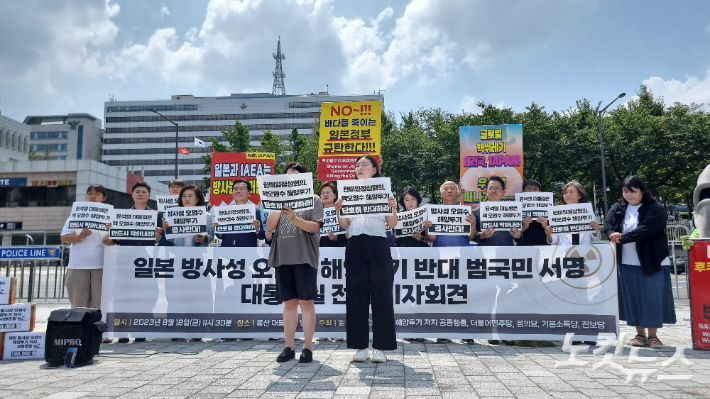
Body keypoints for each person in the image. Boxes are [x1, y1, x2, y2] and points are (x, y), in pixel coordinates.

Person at [334, 154, 398, 363]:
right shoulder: (348, 192)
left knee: (382, 296)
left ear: (374, 170)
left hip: (379, 244)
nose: (360, 168)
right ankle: (359, 347)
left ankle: (381, 347)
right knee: (356, 297)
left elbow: (393, 224)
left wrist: (393, 207)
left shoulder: (385, 191)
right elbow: (345, 226)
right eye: (357, 165)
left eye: (365, 165)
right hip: (355, 246)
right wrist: (338, 210)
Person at [604, 176, 676, 348]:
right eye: (625, 191)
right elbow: (608, 223)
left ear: (642, 191)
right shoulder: (619, 207)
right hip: (626, 260)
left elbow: (647, 229)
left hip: (652, 259)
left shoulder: (655, 208)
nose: (628, 195)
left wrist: (622, 238)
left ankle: (653, 335)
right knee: (633, 297)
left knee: (652, 297)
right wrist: (611, 233)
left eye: (633, 191)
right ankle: (639, 334)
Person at [266, 162, 323, 363]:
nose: (291, 180)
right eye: (288, 177)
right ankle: (288, 346)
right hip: (283, 257)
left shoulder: (314, 199)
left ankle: (307, 347)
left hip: (305, 257)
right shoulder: (278, 200)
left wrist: (294, 217)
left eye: (296, 176)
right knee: (289, 304)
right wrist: (277, 204)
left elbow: (315, 227)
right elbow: (270, 225)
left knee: (306, 303)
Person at [103, 181, 164, 343]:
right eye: (137, 191)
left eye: (144, 192)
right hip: (125, 260)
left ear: (149, 196)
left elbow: (157, 240)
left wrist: (158, 233)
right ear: (132, 194)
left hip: (146, 261)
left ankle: (141, 331)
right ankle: (122, 332)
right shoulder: (122, 215)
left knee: (146, 297)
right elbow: (117, 239)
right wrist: (112, 231)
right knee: (123, 296)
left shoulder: (155, 215)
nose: (140, 194)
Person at [471, 176, 522, 346]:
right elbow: (470, 237)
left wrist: (519, 236)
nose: (493, 191)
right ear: (485, 190)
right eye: (490, 188)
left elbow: (521, 237)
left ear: (503, 192)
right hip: (486, 260)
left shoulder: (514, 211)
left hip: (507, 258)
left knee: (508, 296)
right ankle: (491, 332)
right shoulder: (476, 212)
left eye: (497, 188)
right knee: (490, 296)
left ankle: (507, 331)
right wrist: (480, 236)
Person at [61, 185, 111, 343]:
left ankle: (103, 333)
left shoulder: (110, 217)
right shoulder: (75, 216)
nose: (93, 197)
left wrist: (112, 233)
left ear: (104, 197)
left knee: (101, 301)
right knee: (78, 301)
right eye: (90, 194)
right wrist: (80, 235)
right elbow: (64, 238)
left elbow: (115, 240)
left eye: (97, 194)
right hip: (78, 264)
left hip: (101, 263)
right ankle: (79, 332)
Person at [544, 181, 600, 245]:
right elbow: (554, 241)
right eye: (565, 193)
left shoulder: (588, 212)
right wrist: (549, 235)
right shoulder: (557, 213)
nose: (568, 195)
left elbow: (596, 239)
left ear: (580, 195)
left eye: (571, 192)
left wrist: (595, 230)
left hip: (585, 252)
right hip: (564, 253)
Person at [214, 179, 264, 247]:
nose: (238, 191)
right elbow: (220, 236)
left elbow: (263, 236)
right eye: (235, 189)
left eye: (242, 189)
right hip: (226, 251)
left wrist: (257, 228)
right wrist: (218, 228)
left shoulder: (257, 212)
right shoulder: (225, 212)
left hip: (249, 252)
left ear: (249, 193)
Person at [427, 181, 476, 247]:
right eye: (446, 189)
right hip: (440, 254)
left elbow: (471, 236)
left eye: (452, 188)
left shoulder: (467, 212)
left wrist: (472, 225)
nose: (449, 191)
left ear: (457, 192)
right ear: (441, 194)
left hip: (463, 254)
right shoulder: (433, 213)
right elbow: (431, 238)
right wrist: (427, 228)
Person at [519, 179, 550, 246]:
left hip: (544, 248)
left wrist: (545, 225)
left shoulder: (548, 209)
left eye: (535, 189)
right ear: (523, 191)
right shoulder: (517, 209)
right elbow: (514, 236)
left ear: (540, 192)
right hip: (523, 248)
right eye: (529, 189)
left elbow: (554, 236)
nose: (532, 192)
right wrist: (524, 226)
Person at [318, 181, 347, 247]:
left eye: (328, 192)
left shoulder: (341, 211)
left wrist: (337, 238)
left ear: (335, 195)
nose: (325, 195)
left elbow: (348, 232)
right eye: (323, 193)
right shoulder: (315, 213)